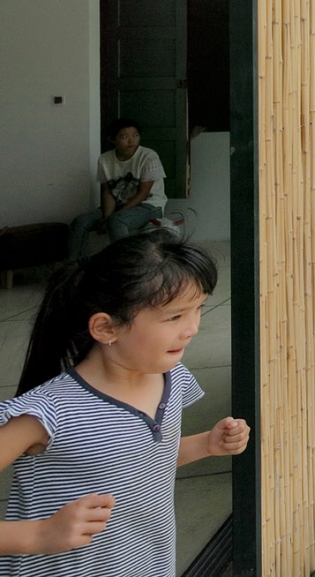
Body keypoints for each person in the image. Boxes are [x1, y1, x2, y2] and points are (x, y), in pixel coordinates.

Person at [0, 230, 250, 574]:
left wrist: (206, 445)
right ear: (105, 328)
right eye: (175, 316)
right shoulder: (47, 413)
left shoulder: (171, 378)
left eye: (198, 309)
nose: (192, 328)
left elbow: (138, 459)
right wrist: (38, 534)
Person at [67, 119, 168, 261]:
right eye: (124, 137)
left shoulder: (149, 156)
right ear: (112, 140)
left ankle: (124, 265)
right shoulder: (104, 159)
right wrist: (106, 216)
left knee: (117, 221)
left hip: (149, 205)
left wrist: (114, 216)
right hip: (117, 205)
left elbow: (143, 193)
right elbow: (108, 192)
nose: (131, 141)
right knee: (80, 221)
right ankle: (74, 267)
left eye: (135, 135)